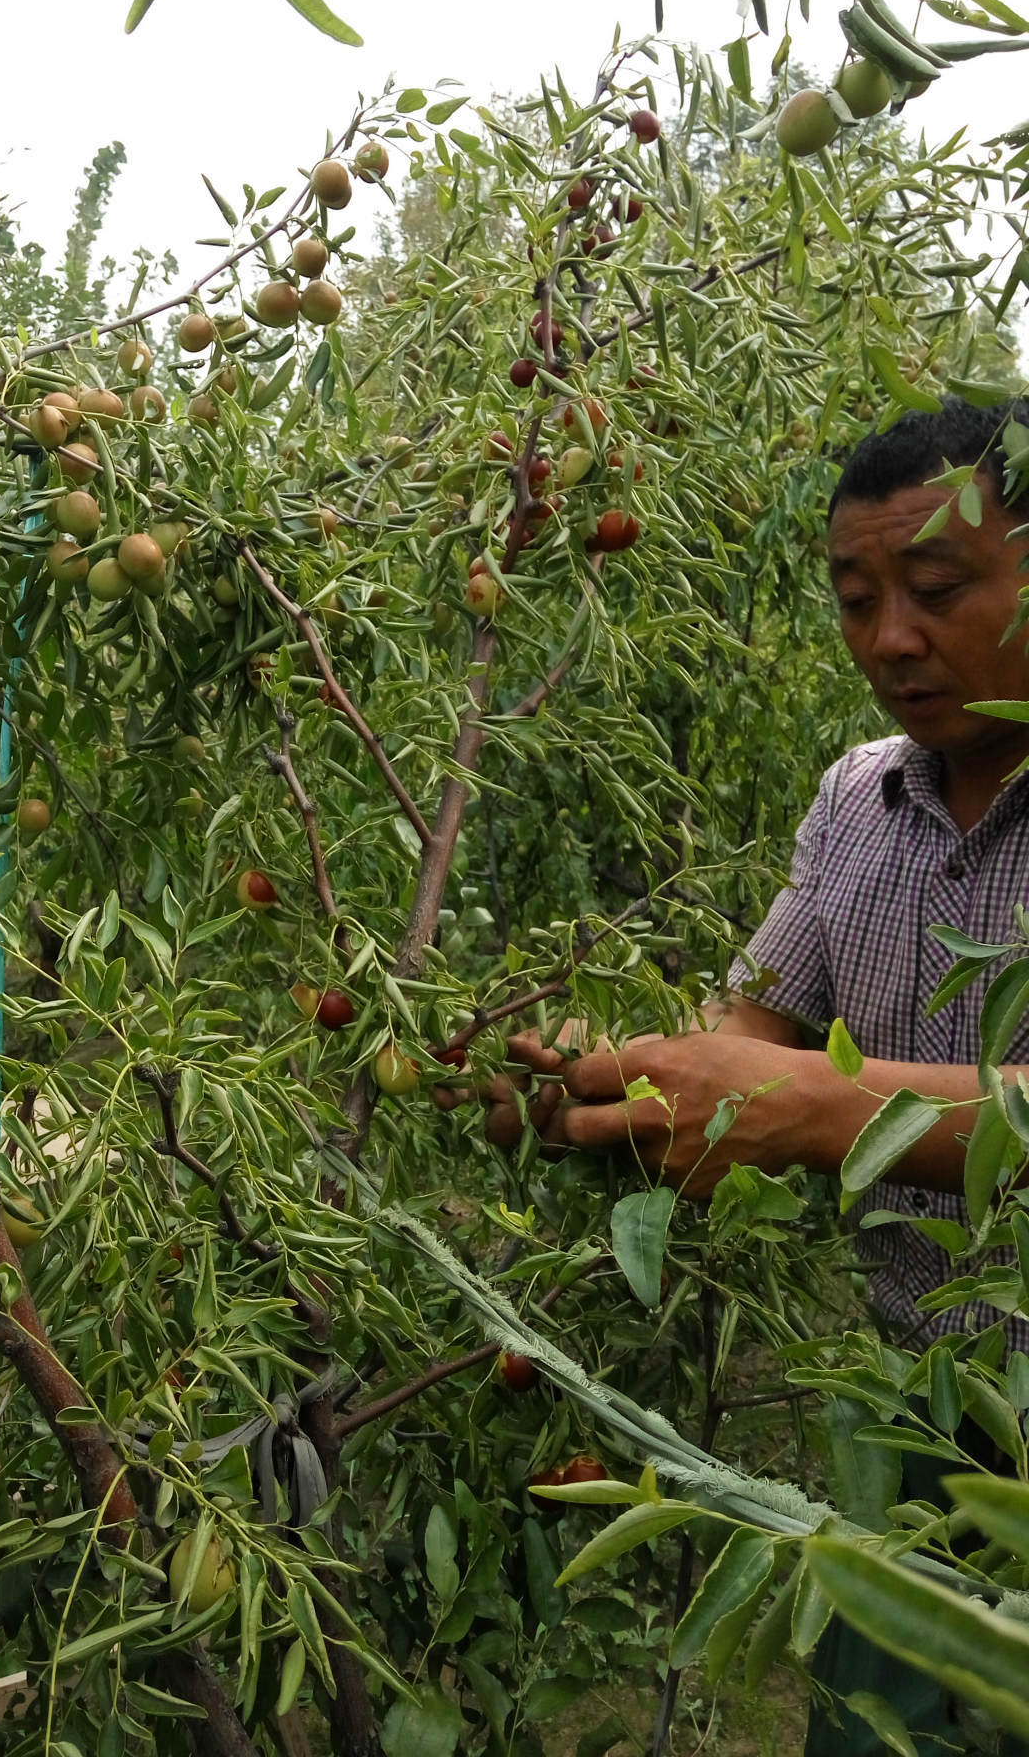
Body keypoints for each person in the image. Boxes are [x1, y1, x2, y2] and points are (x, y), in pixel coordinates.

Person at [503, 397, 1029, 1755]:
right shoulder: (860, 797)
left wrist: (827, 1116)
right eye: (858, 601)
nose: (890, 640)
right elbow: (757, 1032)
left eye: (935, 589)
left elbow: (796, 1094)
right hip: (904, 1426)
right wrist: (592, 1074)